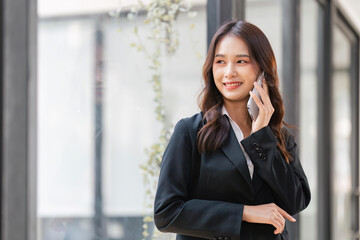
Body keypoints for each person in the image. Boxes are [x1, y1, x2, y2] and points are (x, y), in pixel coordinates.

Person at [153, 20, 311, 240]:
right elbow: (166, 213)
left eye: (241, 61)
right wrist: (244, 213)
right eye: (220, 61)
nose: (229, 72)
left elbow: (295, 202)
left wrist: (260, 137)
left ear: (262, 69)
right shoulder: (190, 131)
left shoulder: (277, 136)